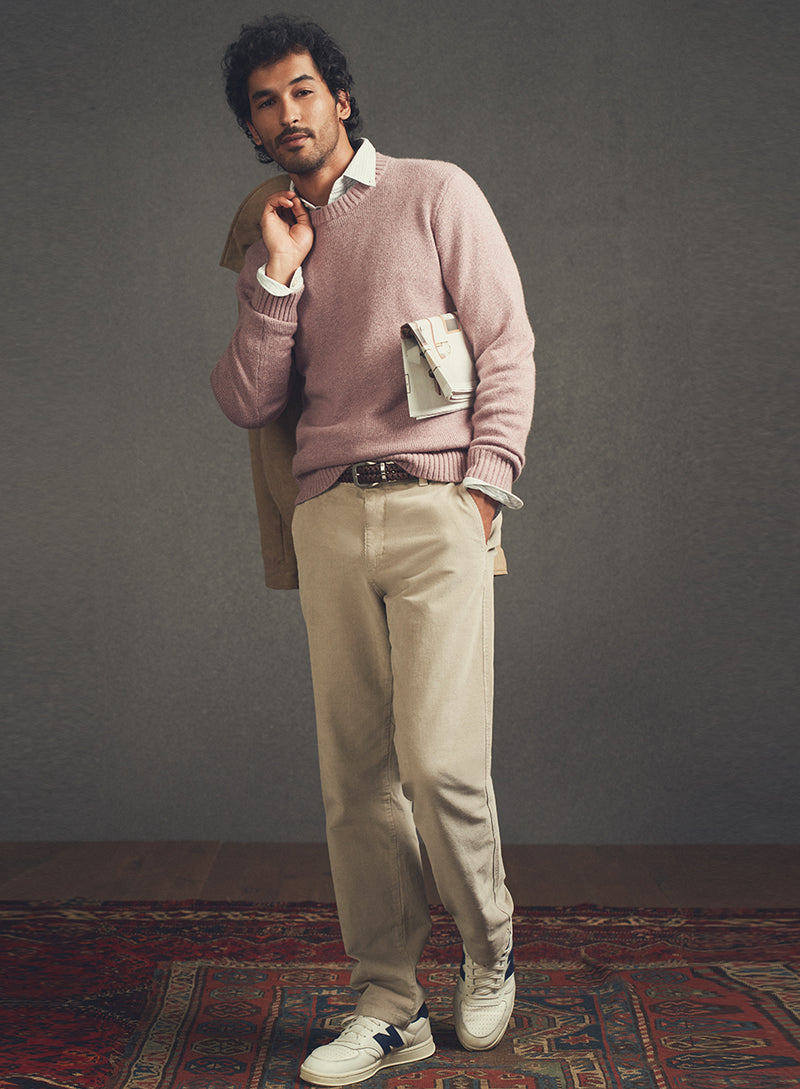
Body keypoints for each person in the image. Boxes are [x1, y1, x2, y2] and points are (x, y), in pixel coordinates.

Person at [212, 15, 536, 1086]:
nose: (287, 114)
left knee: (440, 765)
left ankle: (490, 948)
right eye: (265, 103)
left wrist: (484, 485)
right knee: (356, 780)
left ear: (340, 98)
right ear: (253, 129)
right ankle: (389, 1002)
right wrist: (278, 277)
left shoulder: (435, 191)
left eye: (302, 90)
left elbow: (504, 342)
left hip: (440, 505)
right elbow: (246, 398)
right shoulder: (270, 235)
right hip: (330, 519)